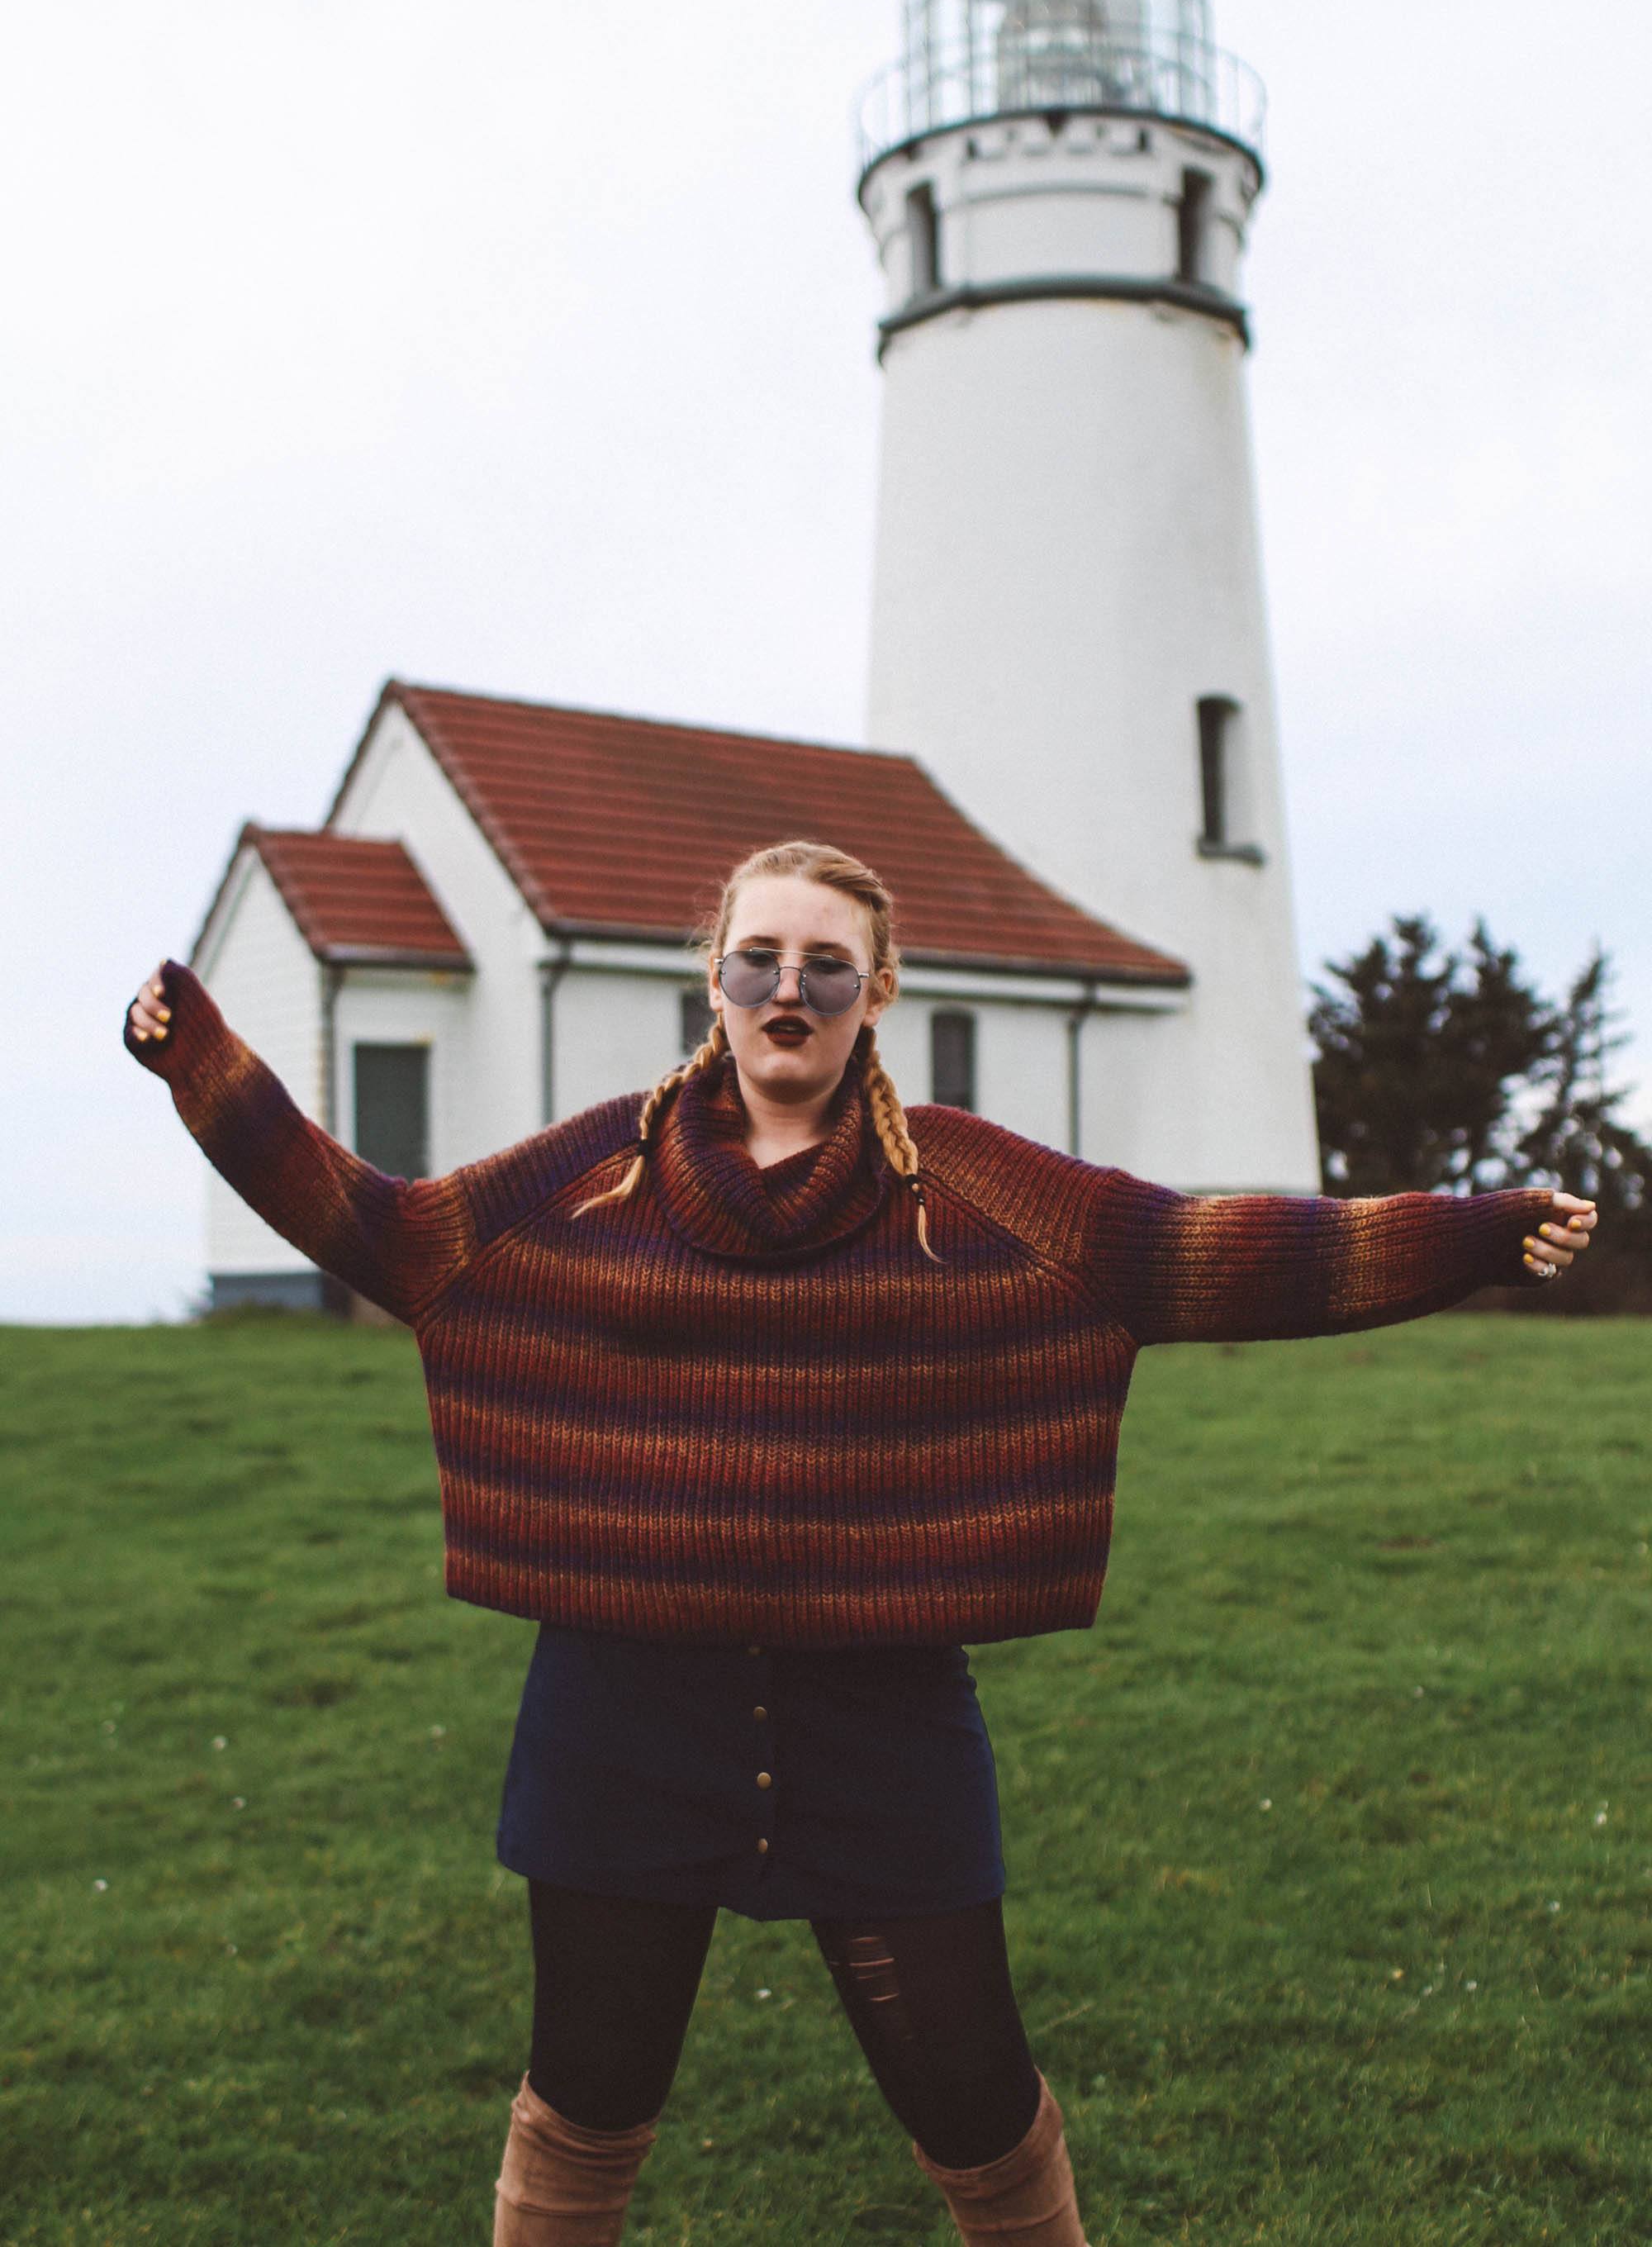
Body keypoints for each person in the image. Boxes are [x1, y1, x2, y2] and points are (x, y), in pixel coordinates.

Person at [126, 838, 1597, 2246]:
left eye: (826, 966)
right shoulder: (593, 1176)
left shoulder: (975, 1190)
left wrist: (1470, 1233)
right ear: (712, 979)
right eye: (756, 959)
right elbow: (386, 1231)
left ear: (877, 992)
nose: (788, 991)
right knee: (587, 2096)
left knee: (976, 2099)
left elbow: (1212, 1254)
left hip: (883, 1723)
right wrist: (208, 1067)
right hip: (619, 1721)